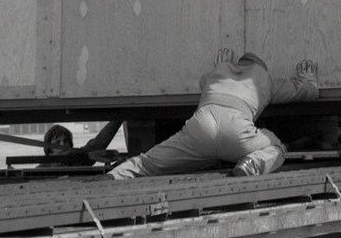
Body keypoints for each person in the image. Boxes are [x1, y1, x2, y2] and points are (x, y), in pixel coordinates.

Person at [110, 51, 317, 179]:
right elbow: (306, 91)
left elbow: (204, 82)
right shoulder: (264, 78)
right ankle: (250, 165)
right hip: (237, 130)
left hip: (202, 125)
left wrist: (219, 65)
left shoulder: (217, 73)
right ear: (260, 67)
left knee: (148, 163)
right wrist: (308, 78)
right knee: (276, 147)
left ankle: (114, 176)